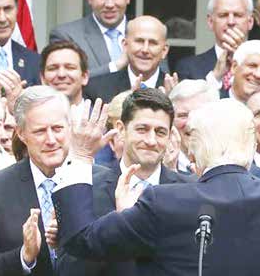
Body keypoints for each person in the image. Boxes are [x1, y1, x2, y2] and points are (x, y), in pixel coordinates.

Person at [51, 94, 260, 275]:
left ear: (195, 148)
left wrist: (79, 154)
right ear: (249, 145)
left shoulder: (162, 203)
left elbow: (81, 241)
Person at [0, 86, 115, 276]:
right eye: (39, 131)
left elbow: (117, 255)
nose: (51, 139)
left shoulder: (104, 182)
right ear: (21, 134)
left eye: (57, 128)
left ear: (70, 127)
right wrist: (24, 257)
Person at [57, 88, 195, 276]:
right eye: (142, 129)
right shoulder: (87, 189)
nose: (151, 140)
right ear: (121, 130)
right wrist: (120, 224)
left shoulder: (190, 191)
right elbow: (69, 269)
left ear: (170, 135)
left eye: (160, 132)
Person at [49, 0, 132, 77]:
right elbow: (66, 79)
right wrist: (117, 65)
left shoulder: (145, 35)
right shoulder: (66, 36)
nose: (109, 4)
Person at [174, 0, 254, 86]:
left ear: (250, 22)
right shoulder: (188, 68)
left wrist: (242, 56)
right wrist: (215, 77)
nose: (231, 21)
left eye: (238, 15)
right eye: (223, 15)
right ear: (210, 22)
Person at [84, 15, 171, 103]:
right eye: (139, 41)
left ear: (164, 50)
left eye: (153, 43)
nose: (145, 50)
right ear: (125, 45)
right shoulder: (97, 89)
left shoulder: (175, 90)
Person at [169, 80, 219, 174]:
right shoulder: (158, 165)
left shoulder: (227, 165)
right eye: (183, 115)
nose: (190, 123)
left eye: (198, 114)